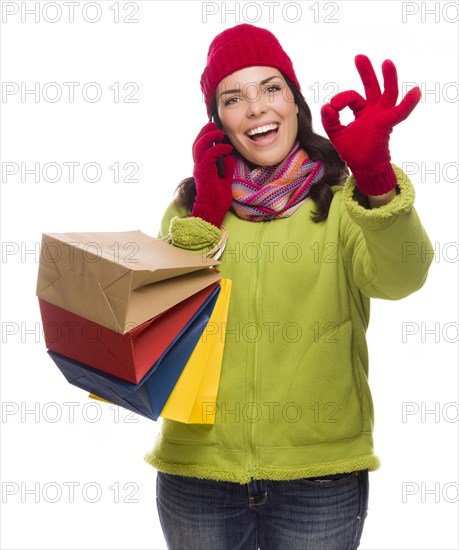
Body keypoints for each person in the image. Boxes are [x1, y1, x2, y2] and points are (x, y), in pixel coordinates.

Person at [144, 23, 433, 550]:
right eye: (234, 97)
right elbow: (159, 322)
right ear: (218, 121)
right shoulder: (190, 212)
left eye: (271, 88)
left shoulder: (344, 204)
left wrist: (376, 182)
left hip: (319, 476)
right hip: (196, 474)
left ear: (295, 102)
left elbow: (403, 277)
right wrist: (207, 214)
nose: (256, 108)